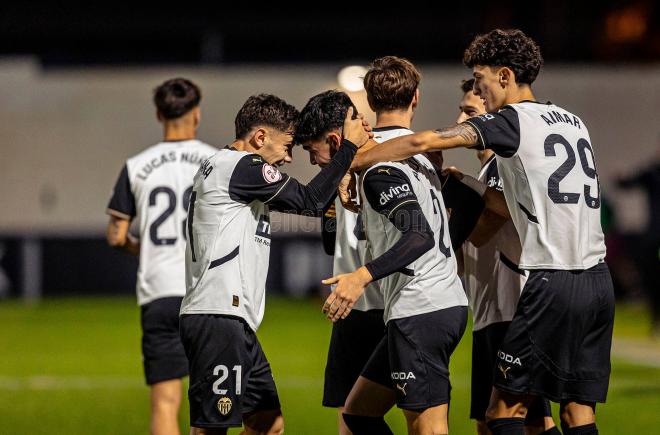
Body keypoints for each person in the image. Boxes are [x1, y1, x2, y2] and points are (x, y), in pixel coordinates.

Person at [346, 29, 614, 435]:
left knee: (503, 415)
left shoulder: (511, 120)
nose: (479, 90)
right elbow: (517, 203)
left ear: (505, 76)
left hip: (550, 280)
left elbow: (424, 139)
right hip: (598, 280)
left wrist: (356, 160)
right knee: (578, 414)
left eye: (481, 79)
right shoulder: (574, 121)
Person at [179, 94, 370, 434]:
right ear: (260, 137)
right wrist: (348, 150)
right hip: (218, 314)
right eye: (286, 145)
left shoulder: (227, 169)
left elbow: (315, 207)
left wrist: (336, 182)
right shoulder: (241, 167)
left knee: (269, 423)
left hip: (232, 319)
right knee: (212, 427)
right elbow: (309, 202)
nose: (288, 156)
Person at [321, 57, 469, 435]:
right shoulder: (418, 154)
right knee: (359, 414)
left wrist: (361, 276)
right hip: (431, 304)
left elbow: (419, 235)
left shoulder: (380, 167)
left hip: (422, 307)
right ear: (416, 98)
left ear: (369, 102)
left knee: (428, 429)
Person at [106, 78, 217, 435]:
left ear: (158, 114)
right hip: (205, 293)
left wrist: (143, 249)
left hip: (158, 292)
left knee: (165, 403)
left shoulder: (137, 165)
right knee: (211, 404)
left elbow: (116, 235)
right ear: (196, 114)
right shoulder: (217, 160)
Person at [458, 79, 559, 435]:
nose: (461, 119)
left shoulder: (503, 166)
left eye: (470, 112)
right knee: (492, 421)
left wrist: (455, 196)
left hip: (511, 308)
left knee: (523, 419)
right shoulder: (487, 173)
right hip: (489, 310)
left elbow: (488, 226)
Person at [295, 89, 387, 435]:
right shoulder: (338, 172)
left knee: (420, 418)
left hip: (392, 306)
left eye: (311, 149)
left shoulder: (386, 159)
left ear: (335, 139)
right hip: (352, 308)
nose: (311, 159)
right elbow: (331, 240)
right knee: (349, 415)